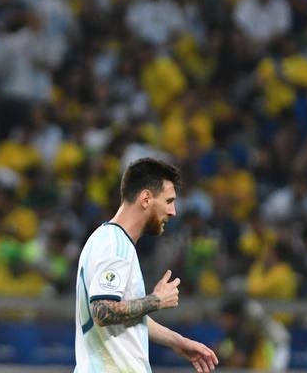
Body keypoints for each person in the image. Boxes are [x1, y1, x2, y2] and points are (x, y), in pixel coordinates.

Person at [74, 157, 218, 373]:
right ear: (146, 198)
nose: (173, 212)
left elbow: (125, 315)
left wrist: (177, 341)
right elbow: (102, 311)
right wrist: (155, 300)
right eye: (169, 201)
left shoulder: (108, 239)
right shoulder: (116, 246)